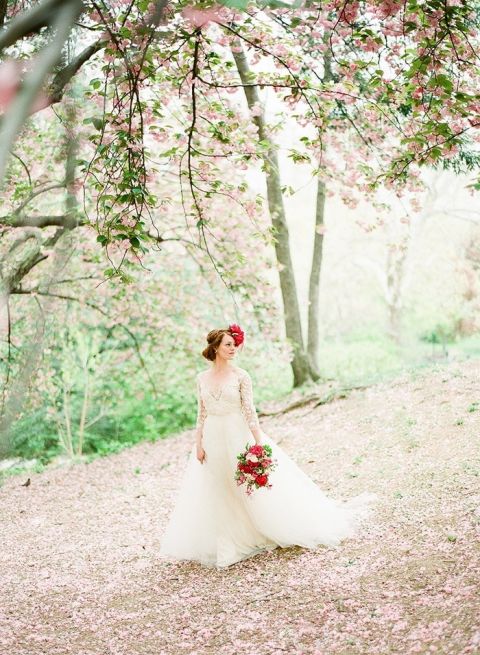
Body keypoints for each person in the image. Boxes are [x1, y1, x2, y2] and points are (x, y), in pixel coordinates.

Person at [158, 324, 378, 569]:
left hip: (237, 433)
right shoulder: (202, 378)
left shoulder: (241, 376)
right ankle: (226, 541)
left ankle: (260, 529)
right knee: (219, 485)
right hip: (212, 437)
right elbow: (201, 413)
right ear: (216, 348)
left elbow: (249, 410)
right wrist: (198, 444)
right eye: (228, 345)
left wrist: (258, 443)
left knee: (244, 483)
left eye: (234, 344)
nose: (234, 348)